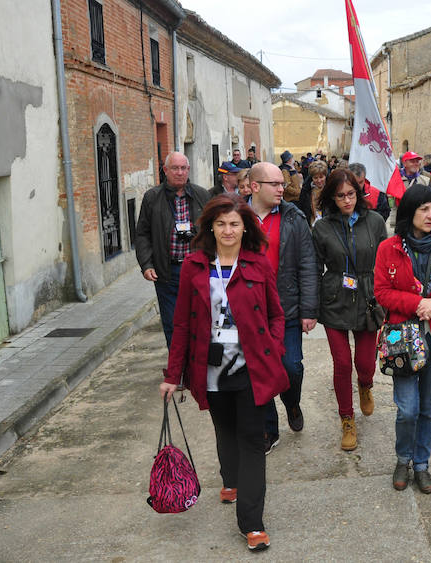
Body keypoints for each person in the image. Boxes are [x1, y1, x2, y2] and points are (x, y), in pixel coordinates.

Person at [159, 193, 288, 552]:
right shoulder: (193, 266)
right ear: (210, 228)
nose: (228, 230)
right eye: (221, 224)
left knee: (251, 439)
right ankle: (230, 478)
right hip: (211, 368)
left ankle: (252, 522)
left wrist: (273, 348)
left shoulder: (258, 264)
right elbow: (181, 324)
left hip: (252, 366)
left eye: (234, 224)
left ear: (244, 227)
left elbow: (277, 315)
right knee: (224, 430)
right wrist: (173, 375)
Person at [373, 184, 431, 494]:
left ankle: (422, 464)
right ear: (409, 212)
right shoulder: (389, 248)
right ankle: (403, 458)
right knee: (408, 409)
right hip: (402, 340)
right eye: (424, 209)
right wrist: (417, 304)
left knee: (428, 408)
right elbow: (381, 292)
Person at [312, 169, 388, 451]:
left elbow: (386, 261)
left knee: (365, 364)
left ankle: (365, 385)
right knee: (342, 363)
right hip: (335, 296)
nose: (347, 200)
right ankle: (347, 418)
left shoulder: (376, 221)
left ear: (359, 193)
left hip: (368, 296)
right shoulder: (322, 227)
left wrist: (389, 297)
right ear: (332, 197)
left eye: (351, 194)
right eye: (341, 195)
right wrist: (310, 305)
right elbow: (313, 267)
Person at [247, 163, 319, 454]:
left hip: (285, 308)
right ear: (254, 186)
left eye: (282, 183)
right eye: (274, 184)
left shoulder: (293, 217)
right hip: (250, 312)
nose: (282, 188)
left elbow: (308, 264)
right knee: (258, 372)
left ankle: (292, 402)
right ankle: (268, 429)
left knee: (291, 367)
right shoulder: (234, 217)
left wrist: (309, 309)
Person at [135, 152, 210, 347]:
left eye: (183, 168)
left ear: (188, 170)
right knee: (173, 323)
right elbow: (142, 233)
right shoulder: (152, 197)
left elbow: (214, 230)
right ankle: (179, 369)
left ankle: (199, 366)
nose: (179, 172)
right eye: (175, 168)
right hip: (167, 271)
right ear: (166, 171)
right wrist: (146, 264)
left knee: (201, 321)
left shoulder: (202, 195)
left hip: (198, 269)